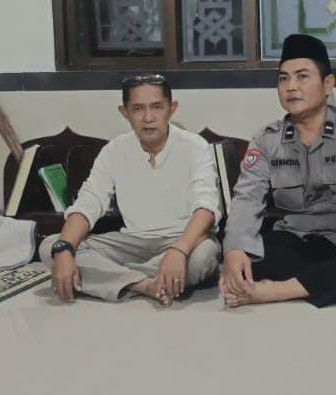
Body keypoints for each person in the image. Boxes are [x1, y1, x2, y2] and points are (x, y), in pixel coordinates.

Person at [219, 34, 336, 308]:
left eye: (302, 77)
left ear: (328, 84)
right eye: (283, 79)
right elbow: (247, 198)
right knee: (250, 252)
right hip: (298, 238)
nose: (291, 87)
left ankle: (277, 291)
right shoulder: (266, 139)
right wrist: (235, 250)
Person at [39, 74, 221, 305]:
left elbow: (205, 207)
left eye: (157, 107)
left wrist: (179, 251)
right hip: (130, 242)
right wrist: (65, 249)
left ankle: (116, 277)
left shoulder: (195, 146)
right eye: (137, 109)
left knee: (202, 258)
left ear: (172, 108)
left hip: (183, 239)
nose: (148, 118)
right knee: (52, 247)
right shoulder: (114, 150)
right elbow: (88, 202)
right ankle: (145, 283)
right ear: (124, 112)